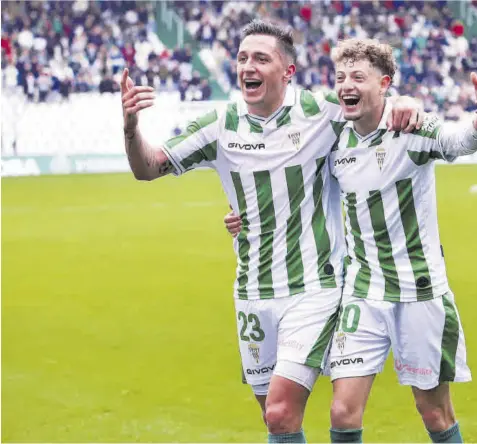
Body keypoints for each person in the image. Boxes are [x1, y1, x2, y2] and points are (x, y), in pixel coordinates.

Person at [121, 20, 422, 443]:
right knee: (277, 421)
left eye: (261, 58)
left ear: (288, 71)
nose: (248, 65)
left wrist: (404, 103)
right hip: (251, 293)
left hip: (313, 287)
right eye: (243, 58)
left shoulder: (322, 114)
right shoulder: (221, 123)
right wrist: (132, 127)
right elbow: (147, 168)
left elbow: (370, 109)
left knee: (282, 409)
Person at [225, 38, 474, 443]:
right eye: (340, 78)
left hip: (419, 290)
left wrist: (422, 107)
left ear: (384, 83)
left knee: (434, 413)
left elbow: (457, 141)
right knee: (342, 412)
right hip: (362, 292)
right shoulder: (335, 136)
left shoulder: (409, 128)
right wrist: (244, 217)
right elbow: (293, 182)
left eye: (358, 77)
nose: (346, 86)